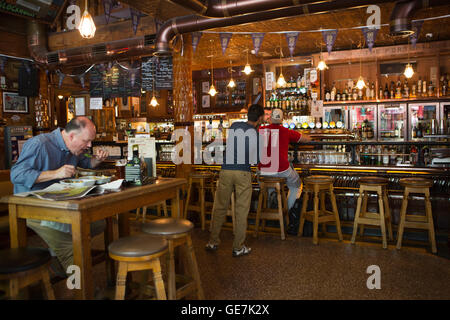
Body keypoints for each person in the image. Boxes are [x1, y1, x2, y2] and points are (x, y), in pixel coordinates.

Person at [10, 116, 109, 275]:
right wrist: (55, 173)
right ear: (71, 136)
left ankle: (56, 259)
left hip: (58, 203)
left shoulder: (74, 148)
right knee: (72, 247)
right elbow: (17, 175)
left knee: (97, 224)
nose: (89, 145)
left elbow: (86, 163)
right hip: (31, 206)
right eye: (87, 141)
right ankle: (79, 290)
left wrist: (97, 160)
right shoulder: (39, 144)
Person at [206, 104, 265, 257]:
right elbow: (256, 160)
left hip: (226, 170)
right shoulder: (257, 135)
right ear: (259, 119)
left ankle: (212, 241)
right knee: (241, 211)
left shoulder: (234, 126)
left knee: (220, 207)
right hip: (242, 173)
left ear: (248, 116)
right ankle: (238, 247)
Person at [258, 108, 310, 218]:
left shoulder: (261, 130)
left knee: (268, 187)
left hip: (263, 171)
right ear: (282, 119)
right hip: (282, 169)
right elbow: (307, 139)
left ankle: (269, 211)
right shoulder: (287, 131)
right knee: (296, 186)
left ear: (270, 118)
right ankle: (286, 212)